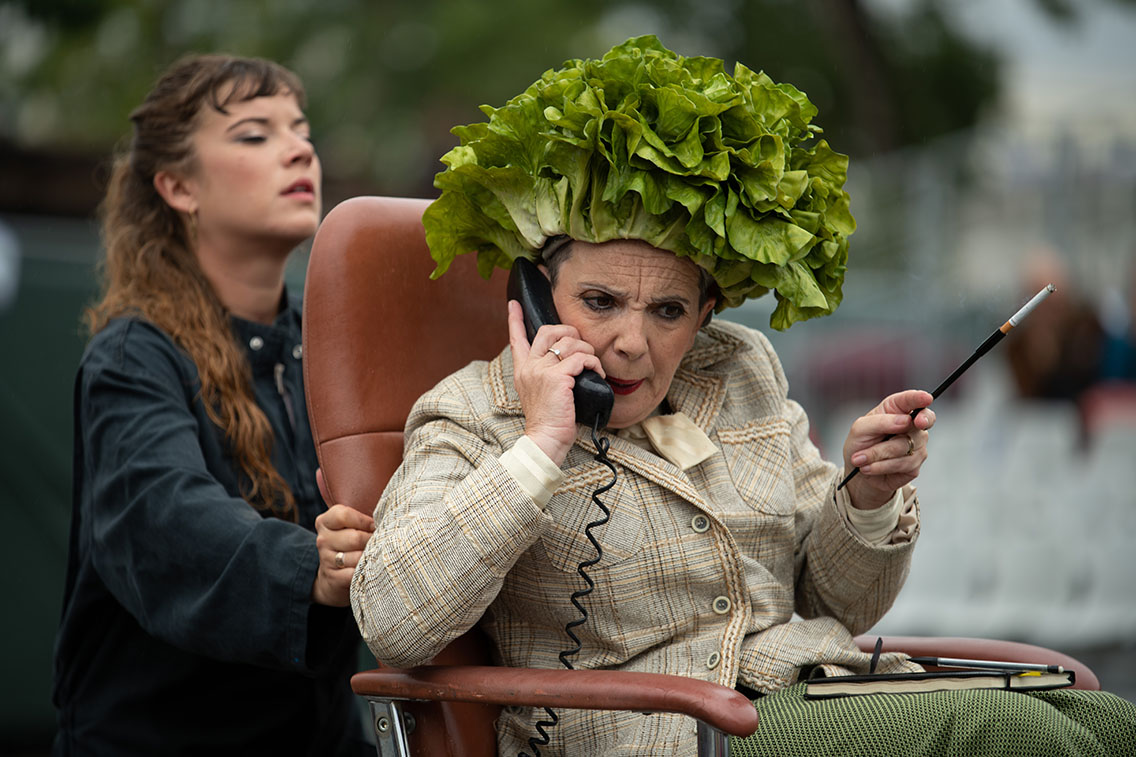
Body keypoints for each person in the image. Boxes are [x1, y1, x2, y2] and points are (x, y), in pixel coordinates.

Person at [350, 37, 1136, 755]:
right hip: (669, 734)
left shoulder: (739, 369)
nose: (631, 342)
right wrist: (541, 446)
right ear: (536, 291)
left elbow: (840, 601)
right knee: (998, 729)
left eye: (667, 311)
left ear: (707, 313)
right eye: (598, 302)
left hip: (803, 692)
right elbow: (390, 616)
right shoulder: (473, 414)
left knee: (1103, 720)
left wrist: (865, 494)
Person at [52, 55, 375, 755]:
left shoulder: (328, 352)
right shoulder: (134, 357)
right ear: (177, 185)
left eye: (302, 129)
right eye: (255, 135)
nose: (299, 148)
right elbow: (166, 518)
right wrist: (309, 569)